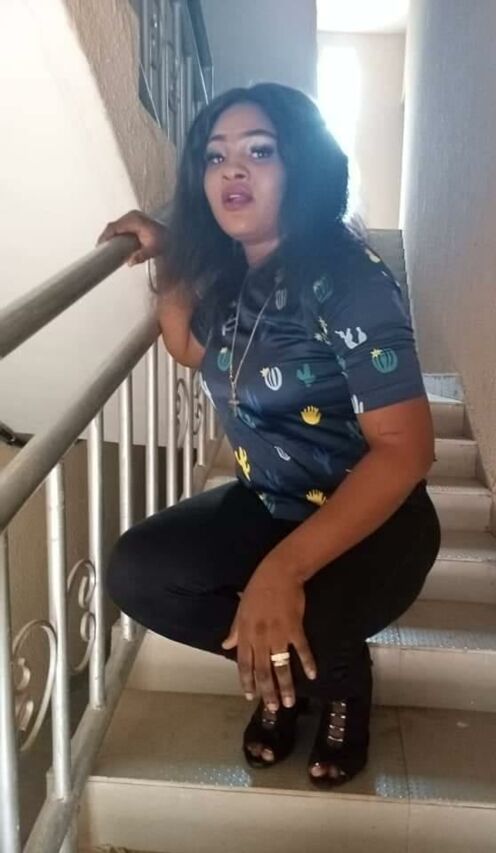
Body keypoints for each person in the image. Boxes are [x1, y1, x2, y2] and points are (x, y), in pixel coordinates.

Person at [100, 82, 441, 788]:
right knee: (139, 572)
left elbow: (407, 450)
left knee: (316, 613)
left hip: (374, 520)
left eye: (260, 151)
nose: (232, 168)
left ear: (302, 168)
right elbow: (188, 347)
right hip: (272, 502)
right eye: (215, 155)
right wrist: (170, 251)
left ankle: (335, 686)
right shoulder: (234, 276)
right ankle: (307, 678)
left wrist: (280, 573)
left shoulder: (348, 277)